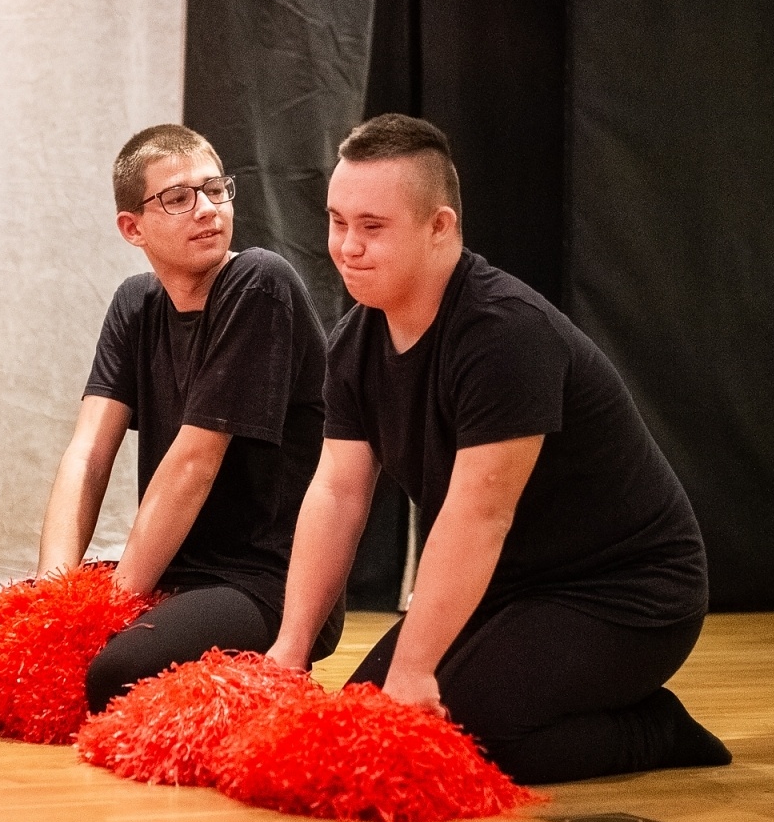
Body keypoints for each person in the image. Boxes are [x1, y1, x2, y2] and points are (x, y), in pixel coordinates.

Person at [266, 114, 731, 785]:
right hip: (507, 588)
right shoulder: (353, 345)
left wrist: (414, 670)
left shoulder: (505, 334)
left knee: (459, 744)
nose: (348, 247)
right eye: (338, 222)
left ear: (440, 227)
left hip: (626, 594)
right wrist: (290, 648)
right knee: (362, 724)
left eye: (372, 227)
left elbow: (480, 516)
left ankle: (654, 728)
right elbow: (337, 493)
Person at [39, 124, 341, 713]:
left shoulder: (259, 282)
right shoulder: (136, 303)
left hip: (265, 582)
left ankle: (261, 681)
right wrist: (54, 598)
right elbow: (88, 454)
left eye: (215, 189)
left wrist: (107, 610)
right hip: (177, 574)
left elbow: (194, 464)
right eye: (178, 198)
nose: (207, 209)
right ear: (133, 228)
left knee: (114, 674)